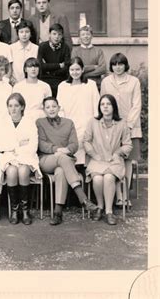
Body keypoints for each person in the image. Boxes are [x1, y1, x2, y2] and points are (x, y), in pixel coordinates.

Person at [36, 97, 97, 225]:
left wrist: (67, 150)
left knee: (60, 172)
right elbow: (41, 144)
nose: (51, 109)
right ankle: (83, 199)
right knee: (62, 158)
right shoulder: (40, 122)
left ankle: (57, 212)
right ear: (44, 110)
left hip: (64, 162)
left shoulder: (69, 123)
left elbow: (74, 144)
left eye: (54, 106)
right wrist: (58, 150)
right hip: (46, 159)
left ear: (59, 107)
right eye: (48, 107)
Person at [83, 94, 133, 225]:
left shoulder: (122, 123)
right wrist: (94, 154)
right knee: (98, 178)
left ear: (114, 106)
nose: (105, 107)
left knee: (109, 177)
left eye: (108, 104)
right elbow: (86, 141)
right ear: (99, 107)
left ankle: (109, 211)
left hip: (113, 160)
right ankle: (100, 207)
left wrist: (118, 152)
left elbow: (128, 145)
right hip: (97, 160)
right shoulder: (93, 122)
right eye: (102, 104)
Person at [101, 53, 142, 206]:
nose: (117, 67)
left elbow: (137, 105)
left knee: (127, 161)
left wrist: (128, 125)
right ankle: (118, 197)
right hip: (111, 126)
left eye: (120, 64)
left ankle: (125, 196)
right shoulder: (106, 81)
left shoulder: (134, 81)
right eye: (114, 64)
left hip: (131, 127)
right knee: (114, 159)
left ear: (125, 65)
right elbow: (104, 103)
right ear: (111, 66)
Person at [0, 93, 41, 225]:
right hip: (8, 157)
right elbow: (2, 145)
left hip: (27, 156)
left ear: (22, 107)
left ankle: (25, 210)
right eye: (10, 106)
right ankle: (15, 210)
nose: (13, 109)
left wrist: (15, 148)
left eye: (16, 105)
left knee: (22, 171)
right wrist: (18, 144)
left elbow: (32, 145)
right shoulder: (3, 123)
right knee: (11, 172)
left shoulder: (29, 123)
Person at [57, 57, 99, 165]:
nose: (75, 72)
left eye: (77, 69)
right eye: (72, 70)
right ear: (68, 70)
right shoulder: (63, 86)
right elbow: (60, 109)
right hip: (70, 126)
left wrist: (95, 126)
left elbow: (96, 106)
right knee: (72, 157)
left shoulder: (91, 85)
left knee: (87, 157)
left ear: (83, 69)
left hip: (87, 125)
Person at [37, 23, 71, 97]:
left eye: (59, 34)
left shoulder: (65, 48)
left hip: (60, 79)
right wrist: (58, 65)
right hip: (45, 78)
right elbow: (41, 66)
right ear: (49, 34)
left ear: (62, 36)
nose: (56, 37)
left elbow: (66, 67)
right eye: (54, 34)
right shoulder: (42, 46)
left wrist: (49, 70)